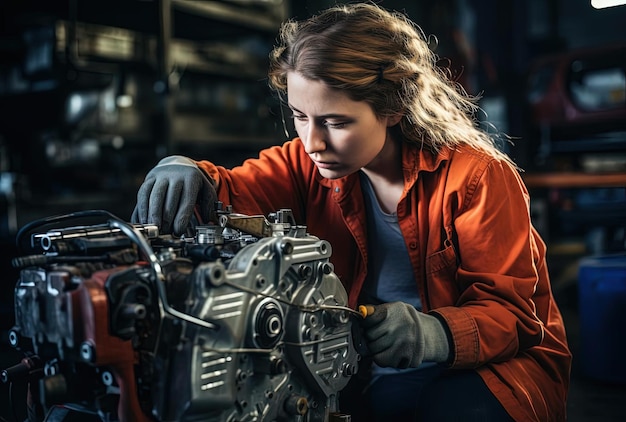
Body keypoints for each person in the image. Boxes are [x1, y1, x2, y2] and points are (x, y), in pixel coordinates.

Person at [131, 3, 571, 421]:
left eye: (337, 122)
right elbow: (237, 189)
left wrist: (432, 333)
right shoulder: (306, 164)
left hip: (494, 371)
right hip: (367, 367)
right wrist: (191, 172)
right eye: (300, 116)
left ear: (395, 106)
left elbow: (513, 315)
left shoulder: (478, 177)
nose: (312, 141)